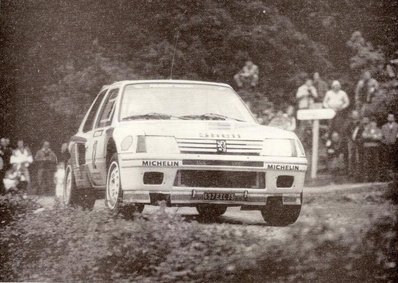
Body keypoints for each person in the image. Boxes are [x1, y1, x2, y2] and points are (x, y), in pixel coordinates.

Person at [381, 112, 398, 179]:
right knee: (387, 160)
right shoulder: (384, 126)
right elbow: (381, 137)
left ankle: (395, 176)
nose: (391, 118)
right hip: (386, 146)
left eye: (392, 117)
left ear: (394, 118)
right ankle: (387, 176)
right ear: (387, 118)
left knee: (394, 160)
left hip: (395, 146)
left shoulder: (397, 126)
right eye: (389, 117)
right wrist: (385, 142)